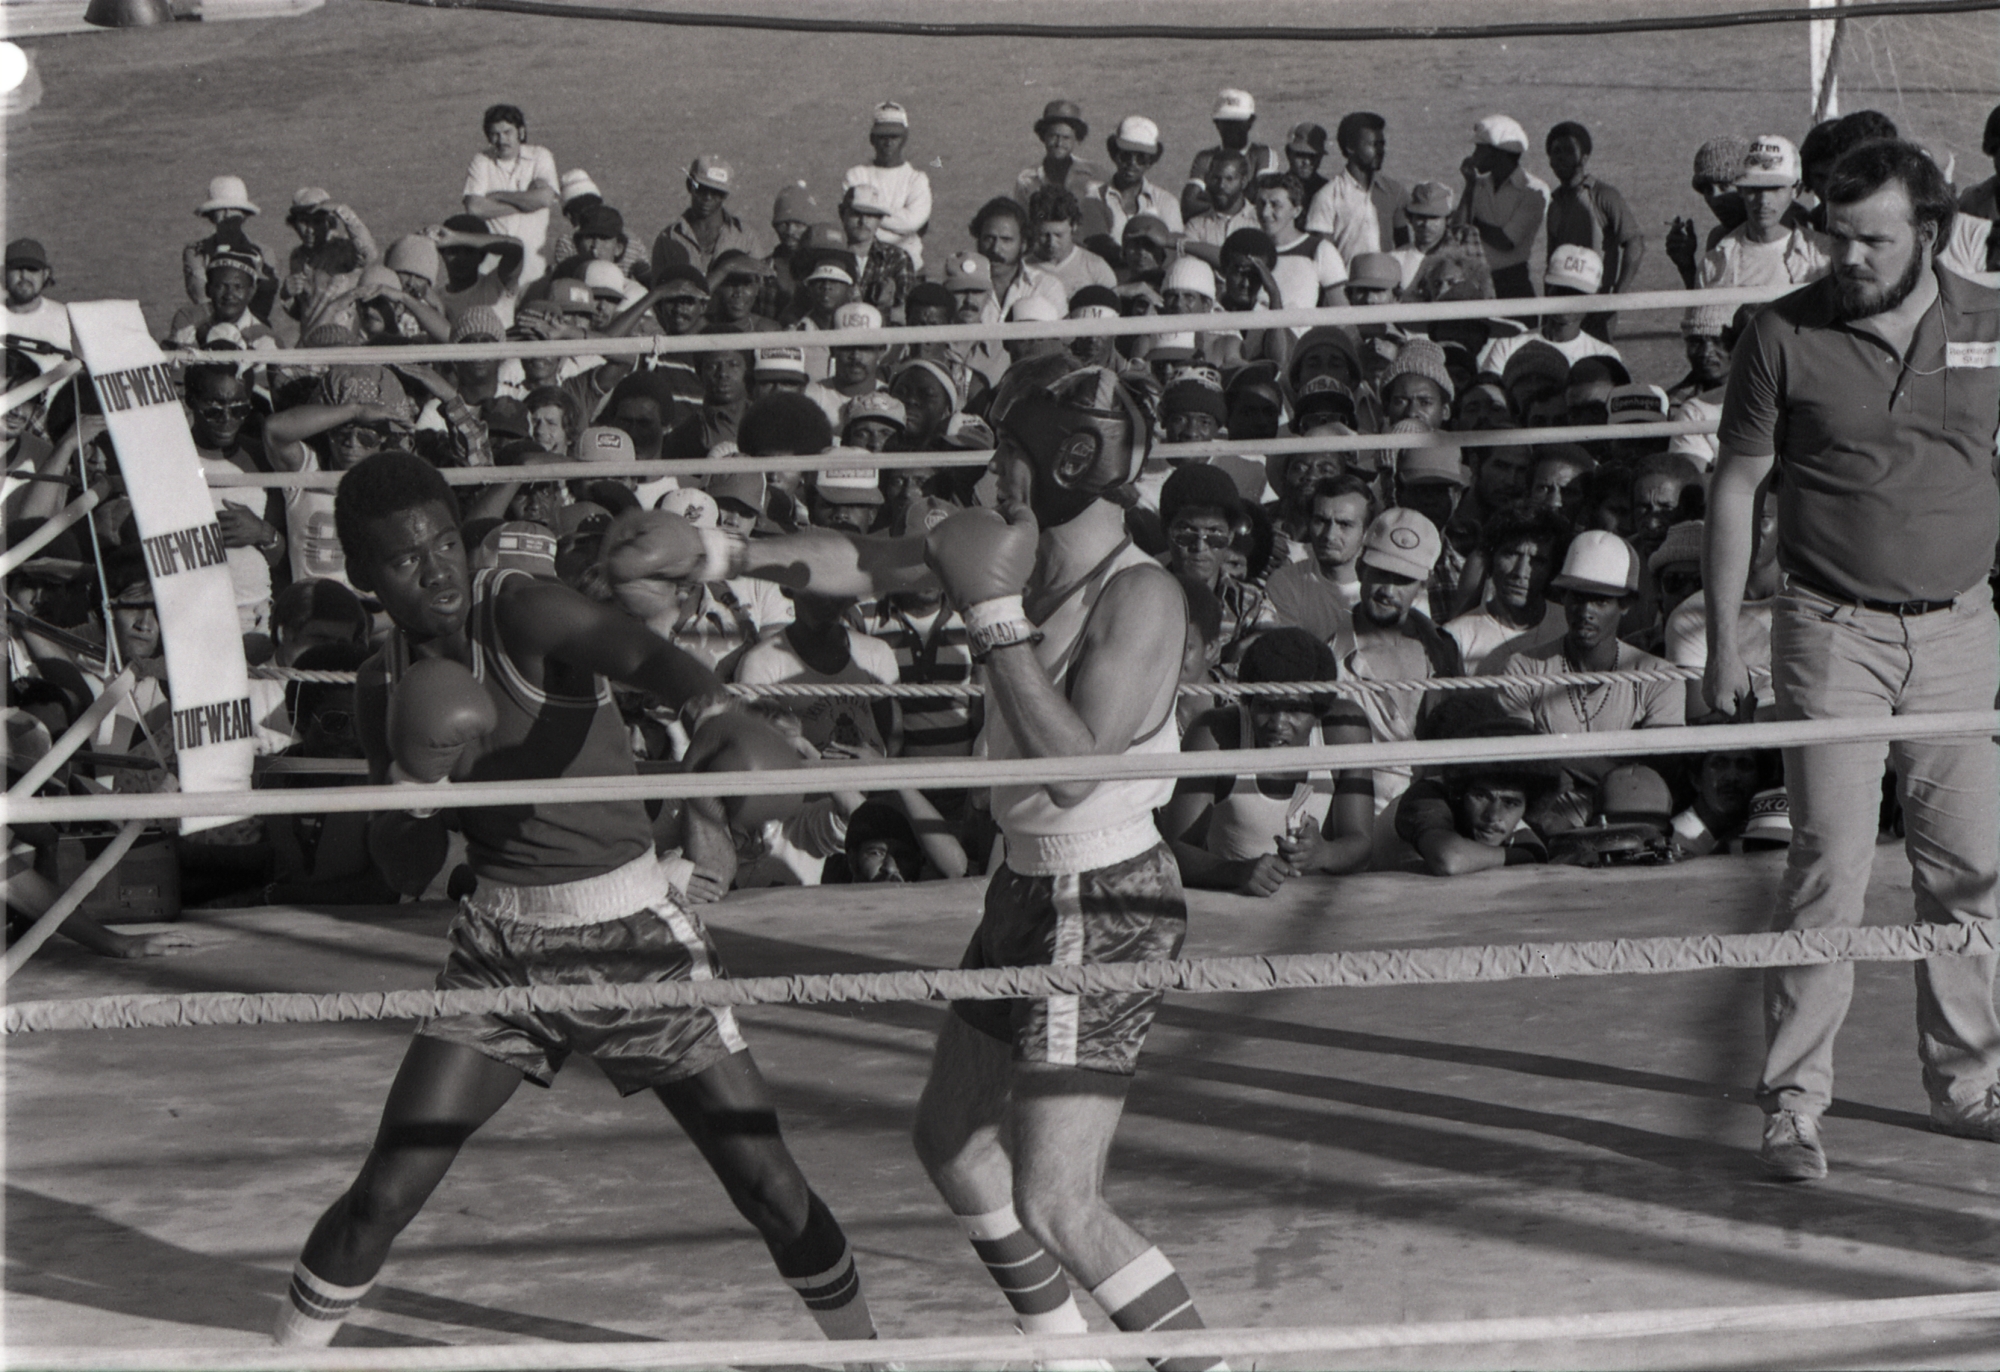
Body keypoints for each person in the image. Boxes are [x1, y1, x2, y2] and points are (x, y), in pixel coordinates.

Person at [598, 360, 1222, 1363]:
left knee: (1058, 1200)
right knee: (953, 1144)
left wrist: (992, 613)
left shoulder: (1139, 595)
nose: (991, 472)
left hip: (1105, 894)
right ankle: (1067, 1359)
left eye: (1007, 453)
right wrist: (715, 550)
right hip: (1028, 883)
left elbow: (1072, 770)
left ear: (1065, 462)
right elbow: (864, 559)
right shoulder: (1014, 551)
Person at [273, 451, 881, 1351]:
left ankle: (872, 1360)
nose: (437, 570)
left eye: (445, 542)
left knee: (769, 1188)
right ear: (361, 576)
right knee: (385, 1192)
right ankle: (275, 1358)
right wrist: (415, 780)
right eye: (405, 561)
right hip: (501, 948)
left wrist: (708, 708)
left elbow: (632, 650)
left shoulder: (518, 605)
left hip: (636, 932)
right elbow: (401, 864)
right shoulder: (383, 684)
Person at [1703, 139, 2000, 1176]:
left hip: (1962, 629)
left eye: (1870, 238)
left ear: (1927, 230)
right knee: (1824, 870)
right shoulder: (1777, 331)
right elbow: (1734, 484)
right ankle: (1792, 1104)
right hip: (1829, 631)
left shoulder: (1989, 321)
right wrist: (1719, 641)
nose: (1845, 255)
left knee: (1967, 870)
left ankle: (1967, 1084)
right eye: (1833, 233)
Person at [1163, 628, 1373, 896]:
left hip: (1323, 911)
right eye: (1265, 706)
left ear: (1319, 710)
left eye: (1295, 709)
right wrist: (1236, 873)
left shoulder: (1345, 728)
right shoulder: (1215, 733)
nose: (1277, 724)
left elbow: (1362, 844)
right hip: (1234, 907)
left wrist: (1324, 853)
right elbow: (1175, 850)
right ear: (1248, 702)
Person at [1498, 530, 1683, 794]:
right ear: (1563, 596)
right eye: (1578, 597)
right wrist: (1617, 770)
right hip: (1548, 820)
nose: (1586, 612)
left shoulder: (1658, 675)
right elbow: (1521, 761)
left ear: (1626, 604)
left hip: (1629, 817)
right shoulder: (1523, 667)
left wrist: (1556, 756)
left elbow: (1654, 777)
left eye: (1600, 601)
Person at [1541, 121, 1643, 339]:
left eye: (1569, 150)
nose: (1560, 157)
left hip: (1597, 301)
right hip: (1562, 304)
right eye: (1555, 151)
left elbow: (1635, 243)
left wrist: (1616, 297)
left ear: (1585, 157)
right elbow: (1550, 260)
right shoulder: (1555, 203)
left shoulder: (1604, 196)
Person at [1444, 503, 1570, 672]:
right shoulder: (1457, 636)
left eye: (1537, 561)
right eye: (1511, 554)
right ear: (1492, 558)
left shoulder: (1568, 625)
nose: (1520, 572)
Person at [1698, 136, 1829, 290]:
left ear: (1796, 190)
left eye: (1775, 188)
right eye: (1754, 188)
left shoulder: (1824, 253)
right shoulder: (1716, 258)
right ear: (1741, 190)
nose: (1764, 200)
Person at [460, 104, 560, 285]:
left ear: (521, 133)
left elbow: (545, 198)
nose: (501, 140)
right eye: (495, 134)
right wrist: (527, 202)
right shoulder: (481, 161)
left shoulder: (540, 156)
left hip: (535, 271)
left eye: (507, 132)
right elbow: (474, 208)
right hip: (491, 272)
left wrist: (497, 196)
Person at [1453, 115, 1545, 298]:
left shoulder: (1533, 190)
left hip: (1512, 282)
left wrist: (1474, 226)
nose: (1473, 156)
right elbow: (1457, 232)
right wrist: (1469, 185)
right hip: (1477, 282)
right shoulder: (1478, 186)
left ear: (1497, 153)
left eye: (1479, 150)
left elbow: (1505, 241)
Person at [1303, 112, 1406, 270]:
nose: (1380, 151)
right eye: (1373, 145)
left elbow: (1404, 245)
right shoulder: (1327, 197)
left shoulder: (1394, 191)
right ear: (1350, 147)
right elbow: (1322, 257)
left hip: (1388, 285)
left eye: (1382, 144)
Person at [844, 101, 932, 273]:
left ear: (904, 138)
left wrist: (869, 212)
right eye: (882, 136)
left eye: (894, 137)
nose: (888, 143)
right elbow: (853, 222)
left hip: (911, 266)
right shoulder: (856, 175)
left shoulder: (917, 180)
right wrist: (898, 217)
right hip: (862, 265)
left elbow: (911, 223)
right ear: (872, 139)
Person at [181, 174, 281, 323]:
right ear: (211, 216)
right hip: (210, 325)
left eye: (234, 209)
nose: (227, 215)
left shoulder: (264, 253)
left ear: (244, 215)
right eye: (221, 210)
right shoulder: (196, 252)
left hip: (253, 327)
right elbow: (202, 300)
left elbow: (264, 305)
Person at [1665, 135, 1751, 287]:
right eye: (1707, 189)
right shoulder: (1719, 238)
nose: (1714, 197)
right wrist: (1686, 266)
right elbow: (1707, 306)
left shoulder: (1787, 230)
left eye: (1724, 185)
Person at [1083, 115, 1183, 241]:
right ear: (1114, 155)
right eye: (1125, 156)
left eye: (1141, 158)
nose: (1132, 163)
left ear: (1150, 162)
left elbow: (1174, 247)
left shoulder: (1167, 202)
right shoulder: (1094, 197)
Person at [1183, 87, 1276, 223]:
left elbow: (1264, 198)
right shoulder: (1205, 157)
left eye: (1238, 123)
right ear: (1216, 124)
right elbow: (1188, 204)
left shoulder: (1262, 154)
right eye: (1226, 123)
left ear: (1250, 122)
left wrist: (1213, 198)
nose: (1232, 129)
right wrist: (1238, 199)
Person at [654, 156, 759, 276]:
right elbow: (659, 288)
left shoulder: (746, 238)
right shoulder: (668, 238)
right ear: (689, 186)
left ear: (725, 195)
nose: (708, 197)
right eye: (701, 189)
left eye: (716, 192)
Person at [1028, 187, 1117, 298]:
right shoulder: (1023, 268)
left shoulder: (1096, 267)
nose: (1052, 243)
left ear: (1074, 226)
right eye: (1044, 235)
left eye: (1059, 235)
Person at [1014, 99, 1095, 208]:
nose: (1059, 143)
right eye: (1053, 136)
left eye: (1066, 138)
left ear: (1076, 139)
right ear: (1043, 136)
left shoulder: (1092, 175)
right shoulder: (1027, 180)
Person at [3, 238, 70, 363]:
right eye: (17, 268)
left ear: (45, 274)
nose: (24, 276)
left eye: (32, 269)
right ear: (3, 273)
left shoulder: (66, 319)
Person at [1182, 151, 1257, 250]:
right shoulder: (1196, 226)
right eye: (1216, 178)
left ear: (1243, 182)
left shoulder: (1261, 220)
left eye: (1229, 179)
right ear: (1208, 179)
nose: (1221, 185)